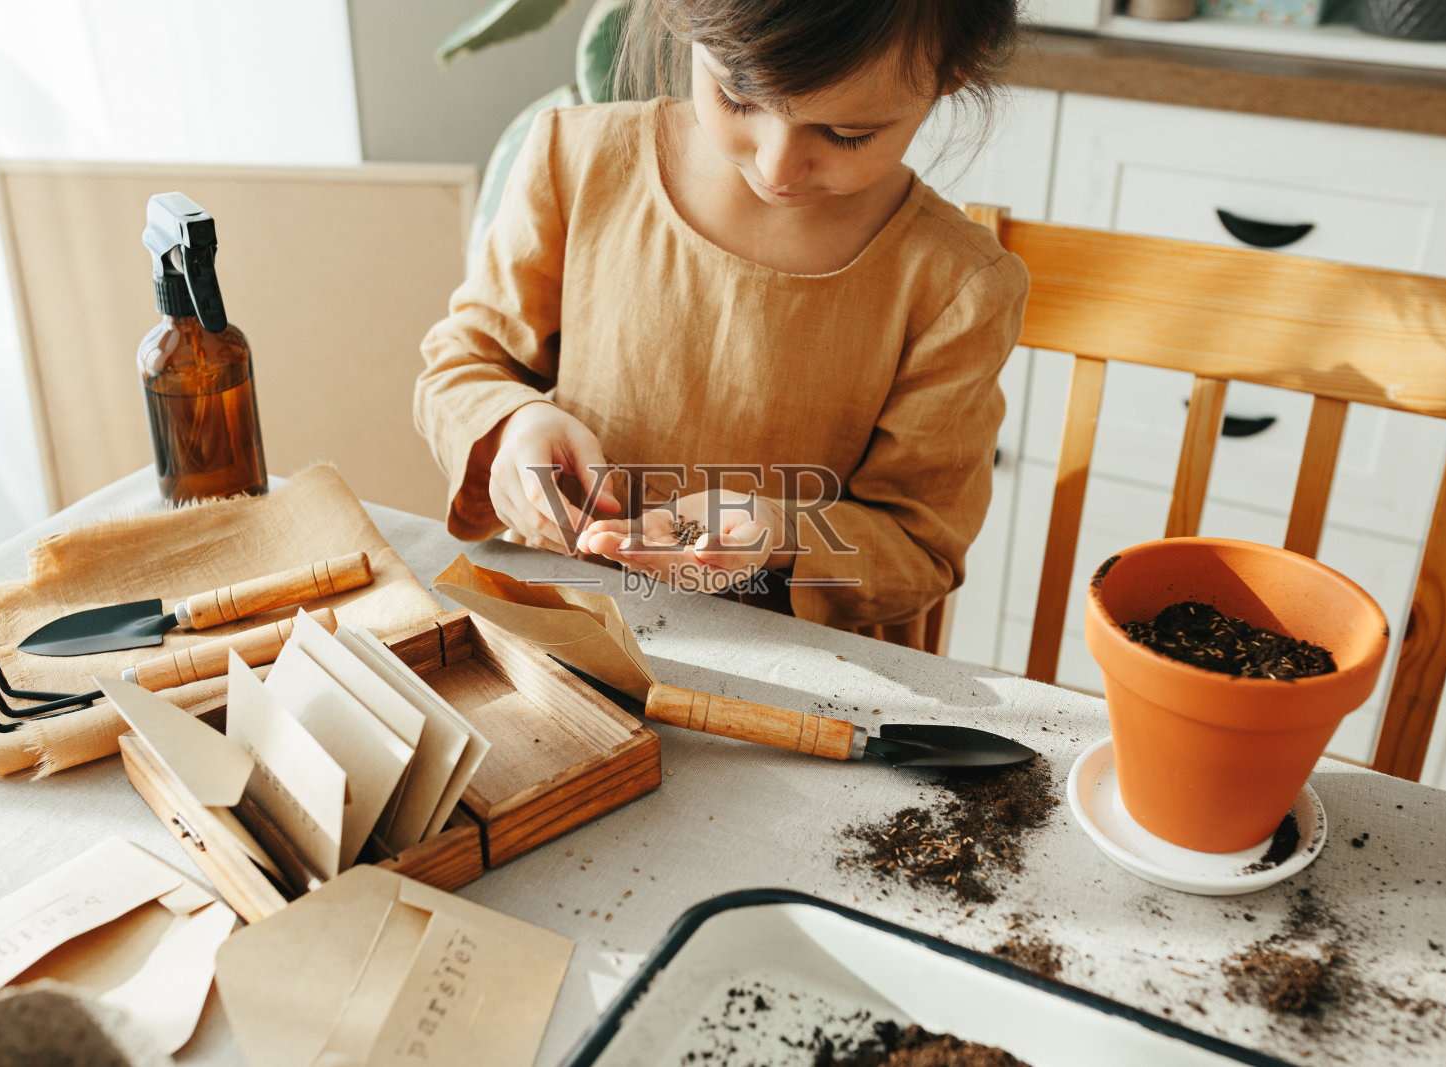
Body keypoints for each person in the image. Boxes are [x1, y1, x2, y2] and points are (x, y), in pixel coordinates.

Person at [415, 0, 1029, 650]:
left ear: (955, 69)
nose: (776, 165)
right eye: (737, 98)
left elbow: (919, 549)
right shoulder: (577, 160)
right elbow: (462, 366)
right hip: (557, 634)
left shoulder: (958, 287)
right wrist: (513, 426)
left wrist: (780, 533)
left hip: (781, 671)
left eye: (846, 133)